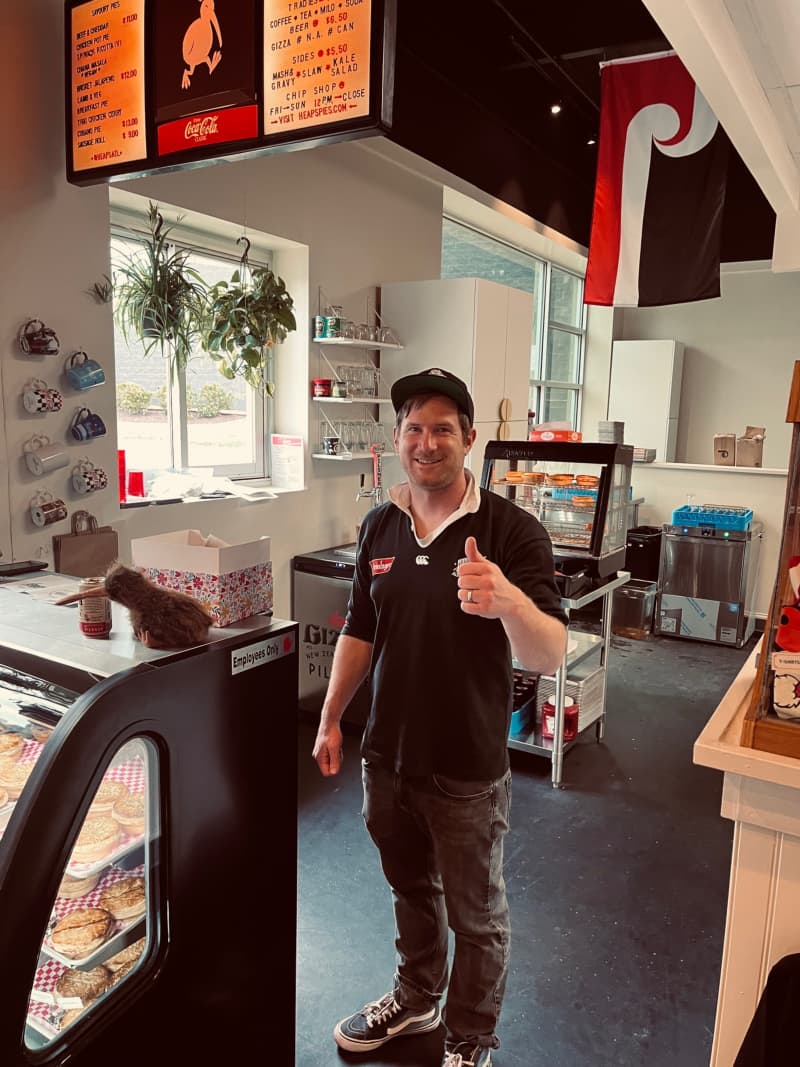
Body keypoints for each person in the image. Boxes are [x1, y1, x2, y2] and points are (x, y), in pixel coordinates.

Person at [313, 367, 567, 1067]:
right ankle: (418, 994)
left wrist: (509, 600)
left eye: (443, 429)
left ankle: (470, 1040)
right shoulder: (380, 525)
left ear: (470, 439)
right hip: (386, 755)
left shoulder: (511, 531)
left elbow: (549, 651)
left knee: (477, 917)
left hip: (466, 767)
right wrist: (331, 717)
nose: (428, 442)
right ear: (398, 438)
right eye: (415, 428)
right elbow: (360, 631)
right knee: (408, 887)